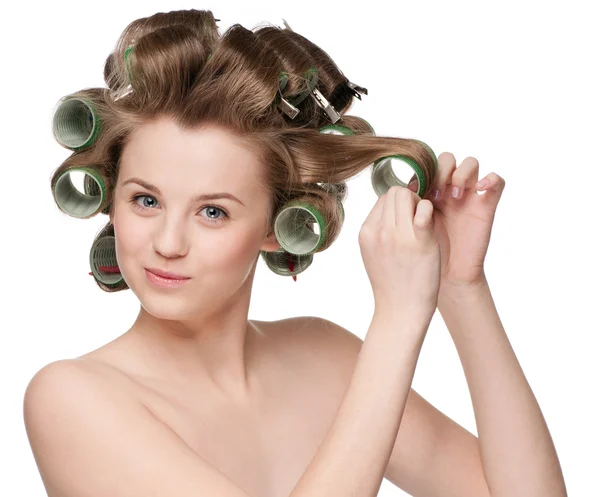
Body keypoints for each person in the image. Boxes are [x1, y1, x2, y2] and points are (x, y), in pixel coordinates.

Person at [23, 8, 567, 497]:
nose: (167, 243)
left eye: (213, 211)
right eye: (145, 200)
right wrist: (398, 318)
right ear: (111, 202)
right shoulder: (72, 400)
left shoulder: (324, 358)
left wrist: (459, 285)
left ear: (272, 225)